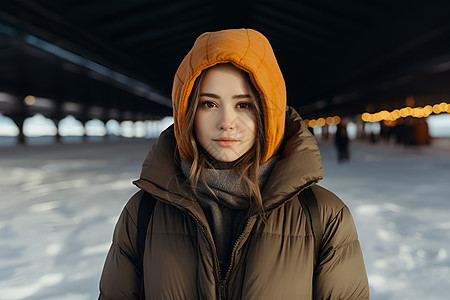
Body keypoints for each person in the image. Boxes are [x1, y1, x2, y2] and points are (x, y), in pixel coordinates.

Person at [98, 28, 369, 299]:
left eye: (244, 105)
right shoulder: (143, 213)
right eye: (209, 104)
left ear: (269, 113)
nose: (226, 122)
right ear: (186, 113)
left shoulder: (323, 216)